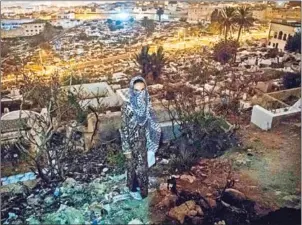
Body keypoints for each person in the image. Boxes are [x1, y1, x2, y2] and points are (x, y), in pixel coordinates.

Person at [120, 76, 161, 200]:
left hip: (144, 140)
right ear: (132, 90)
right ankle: (133, 189)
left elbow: (152, 122)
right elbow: (124, 128)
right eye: (137, 90)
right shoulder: (127, 106)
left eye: (142, 90)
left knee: (143, 167)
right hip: (132, 141)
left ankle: (142, 191)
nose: (140, 93)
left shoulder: (147, 102)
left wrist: (153, 138)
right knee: (132, 166)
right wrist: (126, 148)